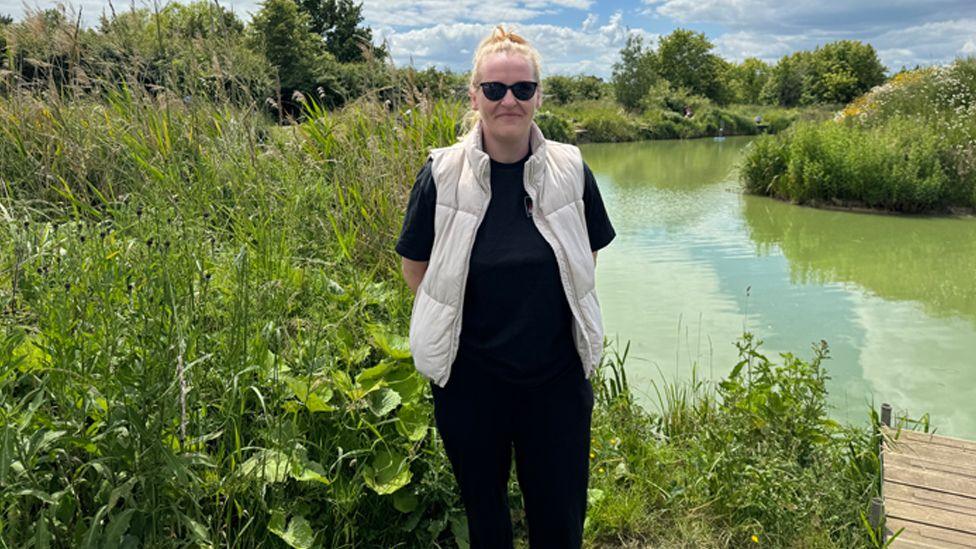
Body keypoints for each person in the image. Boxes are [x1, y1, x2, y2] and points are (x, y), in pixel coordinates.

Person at [395, 26, 615, 548]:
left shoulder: (572, 168)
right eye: (494, 89)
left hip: (557, 383)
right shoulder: (441, 173)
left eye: (522, 88)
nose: (509, 100)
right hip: (470, 383)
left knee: (560, 521)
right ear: (474, 96)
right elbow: (415, 267)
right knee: (486, 518)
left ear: (539, 94)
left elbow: (588, 256)